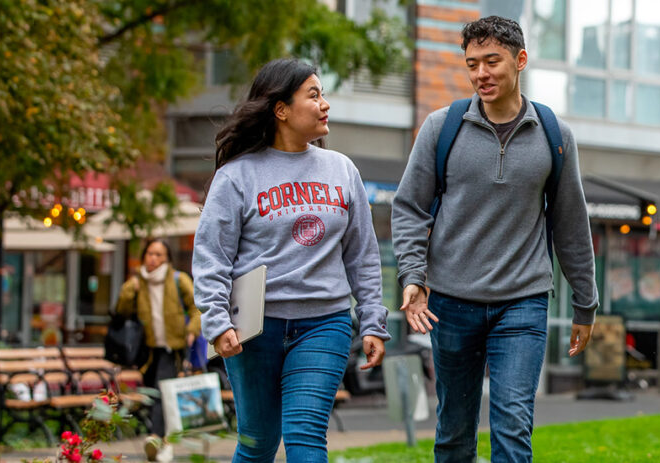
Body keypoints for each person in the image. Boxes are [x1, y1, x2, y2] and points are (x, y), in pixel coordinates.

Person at [391, 16, 599, 463]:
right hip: (449, 301)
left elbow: (570, 223)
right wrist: (413, 275)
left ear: (520, 60)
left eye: (492, 61)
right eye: (472, 64)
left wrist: (586, 301)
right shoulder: (440, 128)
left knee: (513, 427)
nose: (481, 73)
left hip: (522, 302)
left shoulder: (554, 135)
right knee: (453, 433)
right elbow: (408, 207)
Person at [193, 57, 389, 463]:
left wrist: (372, 319)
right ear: (280, 109)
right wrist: (216, 320)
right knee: (257, 442)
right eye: (313, 95)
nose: (324, 104)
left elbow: (363, 256)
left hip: (325, 323)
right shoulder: (238, 176)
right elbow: (212, 256)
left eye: (323, 94)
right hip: (254, 328)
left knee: (304, 435)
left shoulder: (342, 170)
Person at [114, 238, 202, 461]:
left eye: (159, 255)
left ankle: (155, 436)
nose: (153, 259)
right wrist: (129, 290)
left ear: (167, 258)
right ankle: (166, 444)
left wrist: (192, 330)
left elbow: (197, 308)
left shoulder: (178, 279)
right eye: (150, 254)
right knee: (155, 393)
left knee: (162, 391)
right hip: (147, 350)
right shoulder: (138, 283)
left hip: (173, 347)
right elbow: (121, 311)